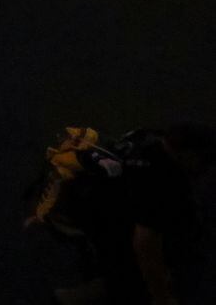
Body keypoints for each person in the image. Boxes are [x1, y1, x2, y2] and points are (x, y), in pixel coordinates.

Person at [53, 123, 216, 305]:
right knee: (135, 280)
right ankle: (100, 288)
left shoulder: (148, 137)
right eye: (205, 160)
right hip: (95, 214)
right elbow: (145, 244)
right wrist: (161, 297)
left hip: (83, 195)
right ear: (188, 154)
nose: (207, 167)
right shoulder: (163, 181)